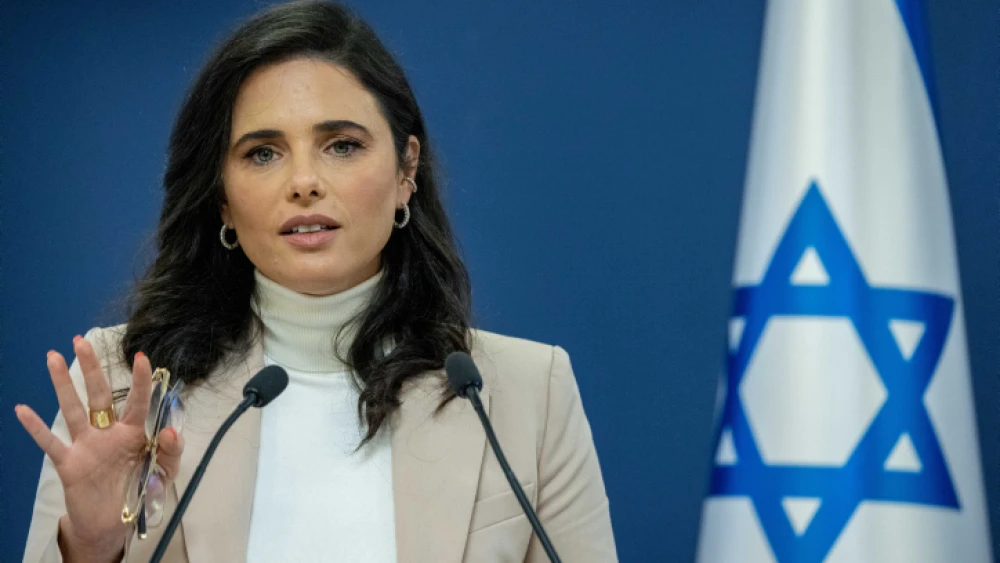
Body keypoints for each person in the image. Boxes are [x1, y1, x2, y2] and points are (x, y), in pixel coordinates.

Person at [17, 2, 617, 561]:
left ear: (407, 169)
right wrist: (90, 546)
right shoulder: (126, 387)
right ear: (221, 198)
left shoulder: (524, 397)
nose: (303, 181)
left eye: (342, 145)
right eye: (262, 154)